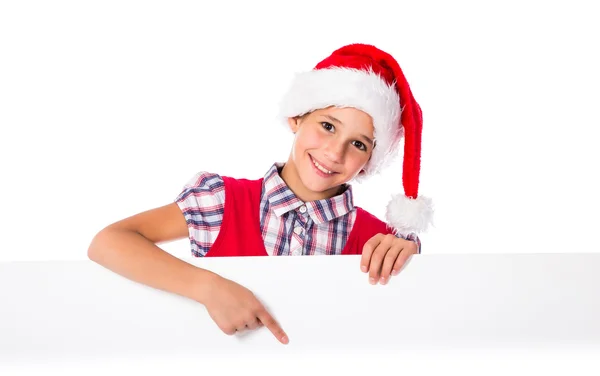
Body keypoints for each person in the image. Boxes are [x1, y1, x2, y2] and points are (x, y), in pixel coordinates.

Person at [87, 43, 434, 345]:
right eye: (327, 126)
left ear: (369, 161)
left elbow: (414, 317)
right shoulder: (222, 202)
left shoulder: (376, 242)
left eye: (357, 144)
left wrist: (409, 254)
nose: (334, 153)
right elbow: (109, 242)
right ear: (296, 118)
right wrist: (208, 288)